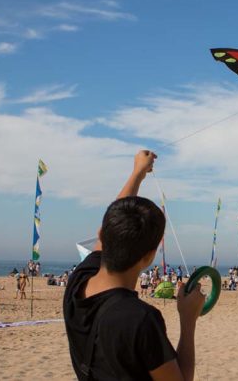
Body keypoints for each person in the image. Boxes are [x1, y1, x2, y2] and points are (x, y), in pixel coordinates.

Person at [63, 150, 205, 380]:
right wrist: (188, 320)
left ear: (103, 234)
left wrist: (137, 173)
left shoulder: (78, 281)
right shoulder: (140, 319)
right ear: (149, 257)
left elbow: (110, 224)